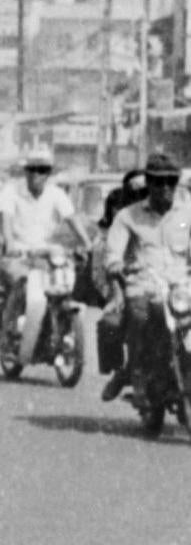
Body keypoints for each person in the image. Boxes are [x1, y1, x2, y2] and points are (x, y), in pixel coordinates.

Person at [102, 153, 190, 404]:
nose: (165, 188)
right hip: (143, 286)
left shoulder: (187, 214)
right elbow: (113, 252)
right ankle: (134, 373)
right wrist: (116, 265)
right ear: (148, 184)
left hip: (181, 288)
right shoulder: (127, 217)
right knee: (140, 318)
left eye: (171, 182)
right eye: (159, 182)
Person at [0, 150, 84, 364]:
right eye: (33, 169)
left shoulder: (56, 194)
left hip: (45, 254)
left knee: (62, 285)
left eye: (42, 170)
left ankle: (55, 333)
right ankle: (7, 336)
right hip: (18, 254)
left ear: (48, 173)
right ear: (26, 172)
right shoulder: (11, 191)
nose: (37, 174)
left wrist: (86, 243)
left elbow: (72, 219)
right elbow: (5, 220)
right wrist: (9, 244)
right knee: (21, 283)